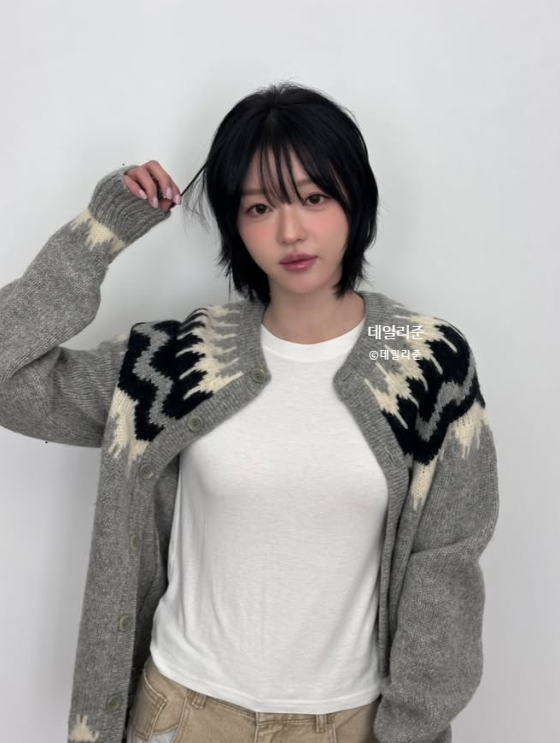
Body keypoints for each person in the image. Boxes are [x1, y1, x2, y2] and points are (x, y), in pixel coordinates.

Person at [0, 81, 499, 743]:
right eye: (260, 206)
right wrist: (99, 233)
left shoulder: (424, 362)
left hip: (351, 724)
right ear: (235, 224)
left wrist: (411, 728)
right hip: (182, 714)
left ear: (356, 199)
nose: (290, 231)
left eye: (314, 198)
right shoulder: (179, 360)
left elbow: (447, 561)